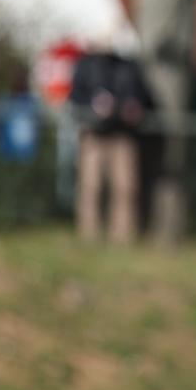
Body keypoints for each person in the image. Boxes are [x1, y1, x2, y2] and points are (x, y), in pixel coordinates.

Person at [68, 35, 153, 244]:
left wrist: (132, 106)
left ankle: (122, 238)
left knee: (125, 187)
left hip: (123, 135)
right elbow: (75, 97)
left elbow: (142, 96)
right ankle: (88, 236)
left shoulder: (129, 66)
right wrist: (93, 106)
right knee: (90, 186)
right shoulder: (85, 65)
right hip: (94, 135)